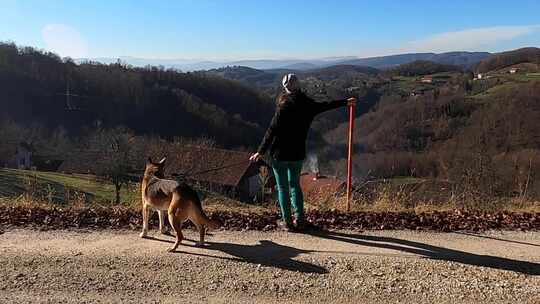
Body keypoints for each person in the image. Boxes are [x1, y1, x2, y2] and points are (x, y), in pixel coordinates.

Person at [250, 73, 356, 231]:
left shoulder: (283, 106)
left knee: (283, 188)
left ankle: (287, 222)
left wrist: (260, 151)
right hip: (297, 153)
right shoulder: (308, 105)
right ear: (298, 85)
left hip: (279, 154)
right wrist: (345, 102)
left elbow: (271, 130)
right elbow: (325, 105)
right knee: (295, 186)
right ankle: (300, 220)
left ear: (285, 88)